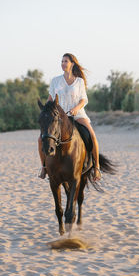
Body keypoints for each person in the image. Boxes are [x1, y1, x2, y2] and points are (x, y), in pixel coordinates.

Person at [38, 53, 101, 181]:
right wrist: (46, 110)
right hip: (59, 118)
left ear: (72, 63)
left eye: (65, 61)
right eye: (62, 61)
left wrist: (76, 109)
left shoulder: (79, 81)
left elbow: (84, 100)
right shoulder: (55, 81)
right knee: (41, 139)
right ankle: (44, 167)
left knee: (92, 135)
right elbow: (50, 99)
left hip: (77, 114)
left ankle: (96, 167)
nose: (63, 64)